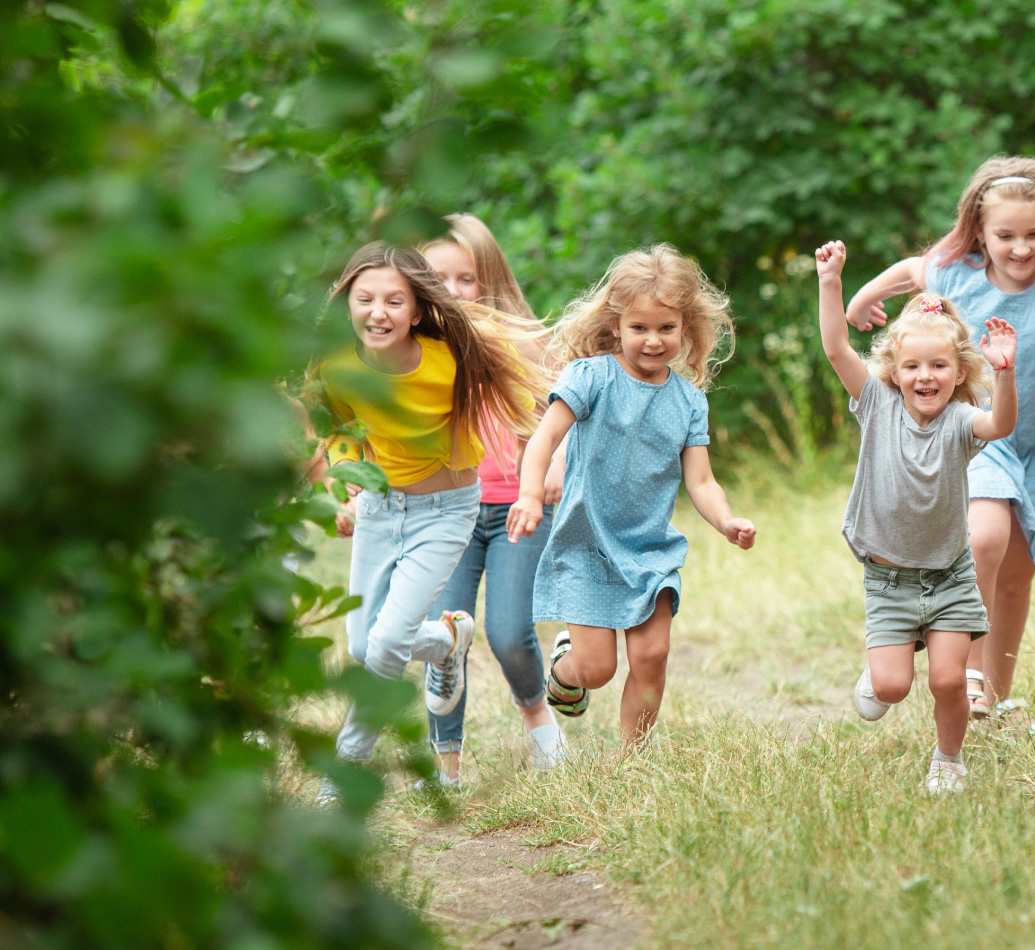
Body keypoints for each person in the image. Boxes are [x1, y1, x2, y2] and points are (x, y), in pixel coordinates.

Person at [845, 157, 1035, 720]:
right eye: (1004, 235)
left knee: (1016, 577)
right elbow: (914, 269)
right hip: (977, 436)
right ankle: (956, 665)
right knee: (983, 537)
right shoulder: (957, 272)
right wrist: (862, 298)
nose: (1020, 248)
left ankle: (990, 697)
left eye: (1033, 234)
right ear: (980, 234)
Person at [306, 242, 540, 802]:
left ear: (416, 310)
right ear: (347, 305)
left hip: (447, 512)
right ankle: (445, 641)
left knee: (386, 642)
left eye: (394, 300)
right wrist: (347, 483)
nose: (377, 311)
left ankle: (345, 768)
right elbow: (331, 429)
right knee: (365, 648)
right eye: (364, 299)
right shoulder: (338, 368)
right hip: (383, 512)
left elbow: (526, 386)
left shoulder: (448, 357)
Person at [506, 244, 756, 750]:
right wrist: (531, 495)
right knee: (597, 670)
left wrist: (726, 521)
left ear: (686, 327)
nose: (653, 340)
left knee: (651, 657)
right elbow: (545, 438)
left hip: (649, 549)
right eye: (639, 327)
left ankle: (631, 763)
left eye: (666, 327)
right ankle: (566, 665)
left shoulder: (689, 401)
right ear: (616, 325)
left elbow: (701, 481)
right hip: (586, 544)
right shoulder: (591, 377)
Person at [817, 240, 1016, 794]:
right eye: (912, 366)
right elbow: (836, 347)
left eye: (938, 366)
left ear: (958, 372)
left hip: (949, 575)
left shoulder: (960, 420)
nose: (925, 376)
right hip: (888, 577)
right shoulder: (876, 405)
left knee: (950, 679)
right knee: (893, 688)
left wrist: (1005, 374)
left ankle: (948, 761)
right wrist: (831, 281)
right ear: (893, 370)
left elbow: (1000, 425)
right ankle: (895, 651)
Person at [417, 214, 566, 784]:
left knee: (507, 632)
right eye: (437, 280)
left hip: (517, 508)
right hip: (448, 509)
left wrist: (554, 463)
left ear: (490, 281)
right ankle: (446, 763)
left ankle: (539, 722)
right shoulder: (417, 353)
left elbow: (564, 416)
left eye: (466, 280)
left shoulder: (523, 341)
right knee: (443, 636)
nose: (451, 293)